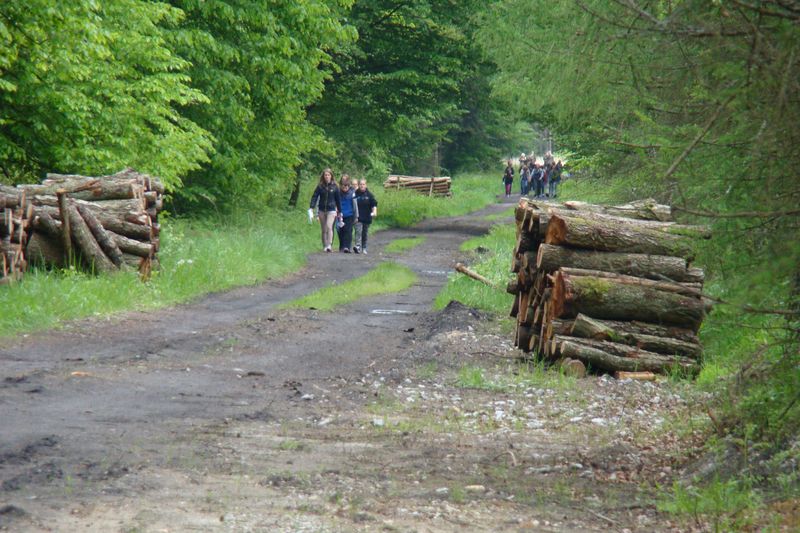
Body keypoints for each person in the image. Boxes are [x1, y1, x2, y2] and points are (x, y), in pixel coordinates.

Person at [309, 168, 341, 252]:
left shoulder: (335, 186)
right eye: (325, 175)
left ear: (331, 176)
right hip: (322, 209)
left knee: (329, 226)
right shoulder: (320, 186)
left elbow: (338, 199)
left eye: (328, 175)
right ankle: (325, 245)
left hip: (331, 209)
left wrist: (340, 211)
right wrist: (311, 207)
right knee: (323, 229)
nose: (327, 176)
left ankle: (329, 245)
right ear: (323, 176)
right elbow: (314, 196)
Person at [354, 179, 378, 255]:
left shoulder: (369, 195)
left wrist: (374, 211)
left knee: (364, 233)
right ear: (358, 185)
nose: (362, 186)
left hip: (367, 217)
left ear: (366, 185)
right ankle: (358, 246)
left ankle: (364, 247)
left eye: (363, 184)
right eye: (360, 184)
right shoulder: (355, 194)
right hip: (358, 217)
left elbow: (374, 204)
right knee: (358, 231)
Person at [336, 174, 358, 253]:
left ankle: (347, 247)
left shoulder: (353, 192)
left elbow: (355, 205)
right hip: (340, 214)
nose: (345, 187)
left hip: (350, 214)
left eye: (346, 185)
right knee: (340, 230)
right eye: (343, 185)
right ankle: (342, 246)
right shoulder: (337, 191)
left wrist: (356, 216)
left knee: (348, 230)